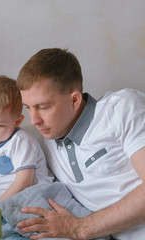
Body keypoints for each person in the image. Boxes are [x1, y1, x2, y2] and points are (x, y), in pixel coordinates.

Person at [16, 48, 145, 240]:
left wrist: (80, 228)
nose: (34, 120)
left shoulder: (121, 108)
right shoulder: (43, 145)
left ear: (74, 100)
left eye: (42, 107)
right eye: (28, 108)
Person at [0, 75, 54, 203]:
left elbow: (24, 182)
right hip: (4, 202)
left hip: (31, 198)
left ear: (17, 121)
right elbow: (2, 173)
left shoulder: (22, 142)